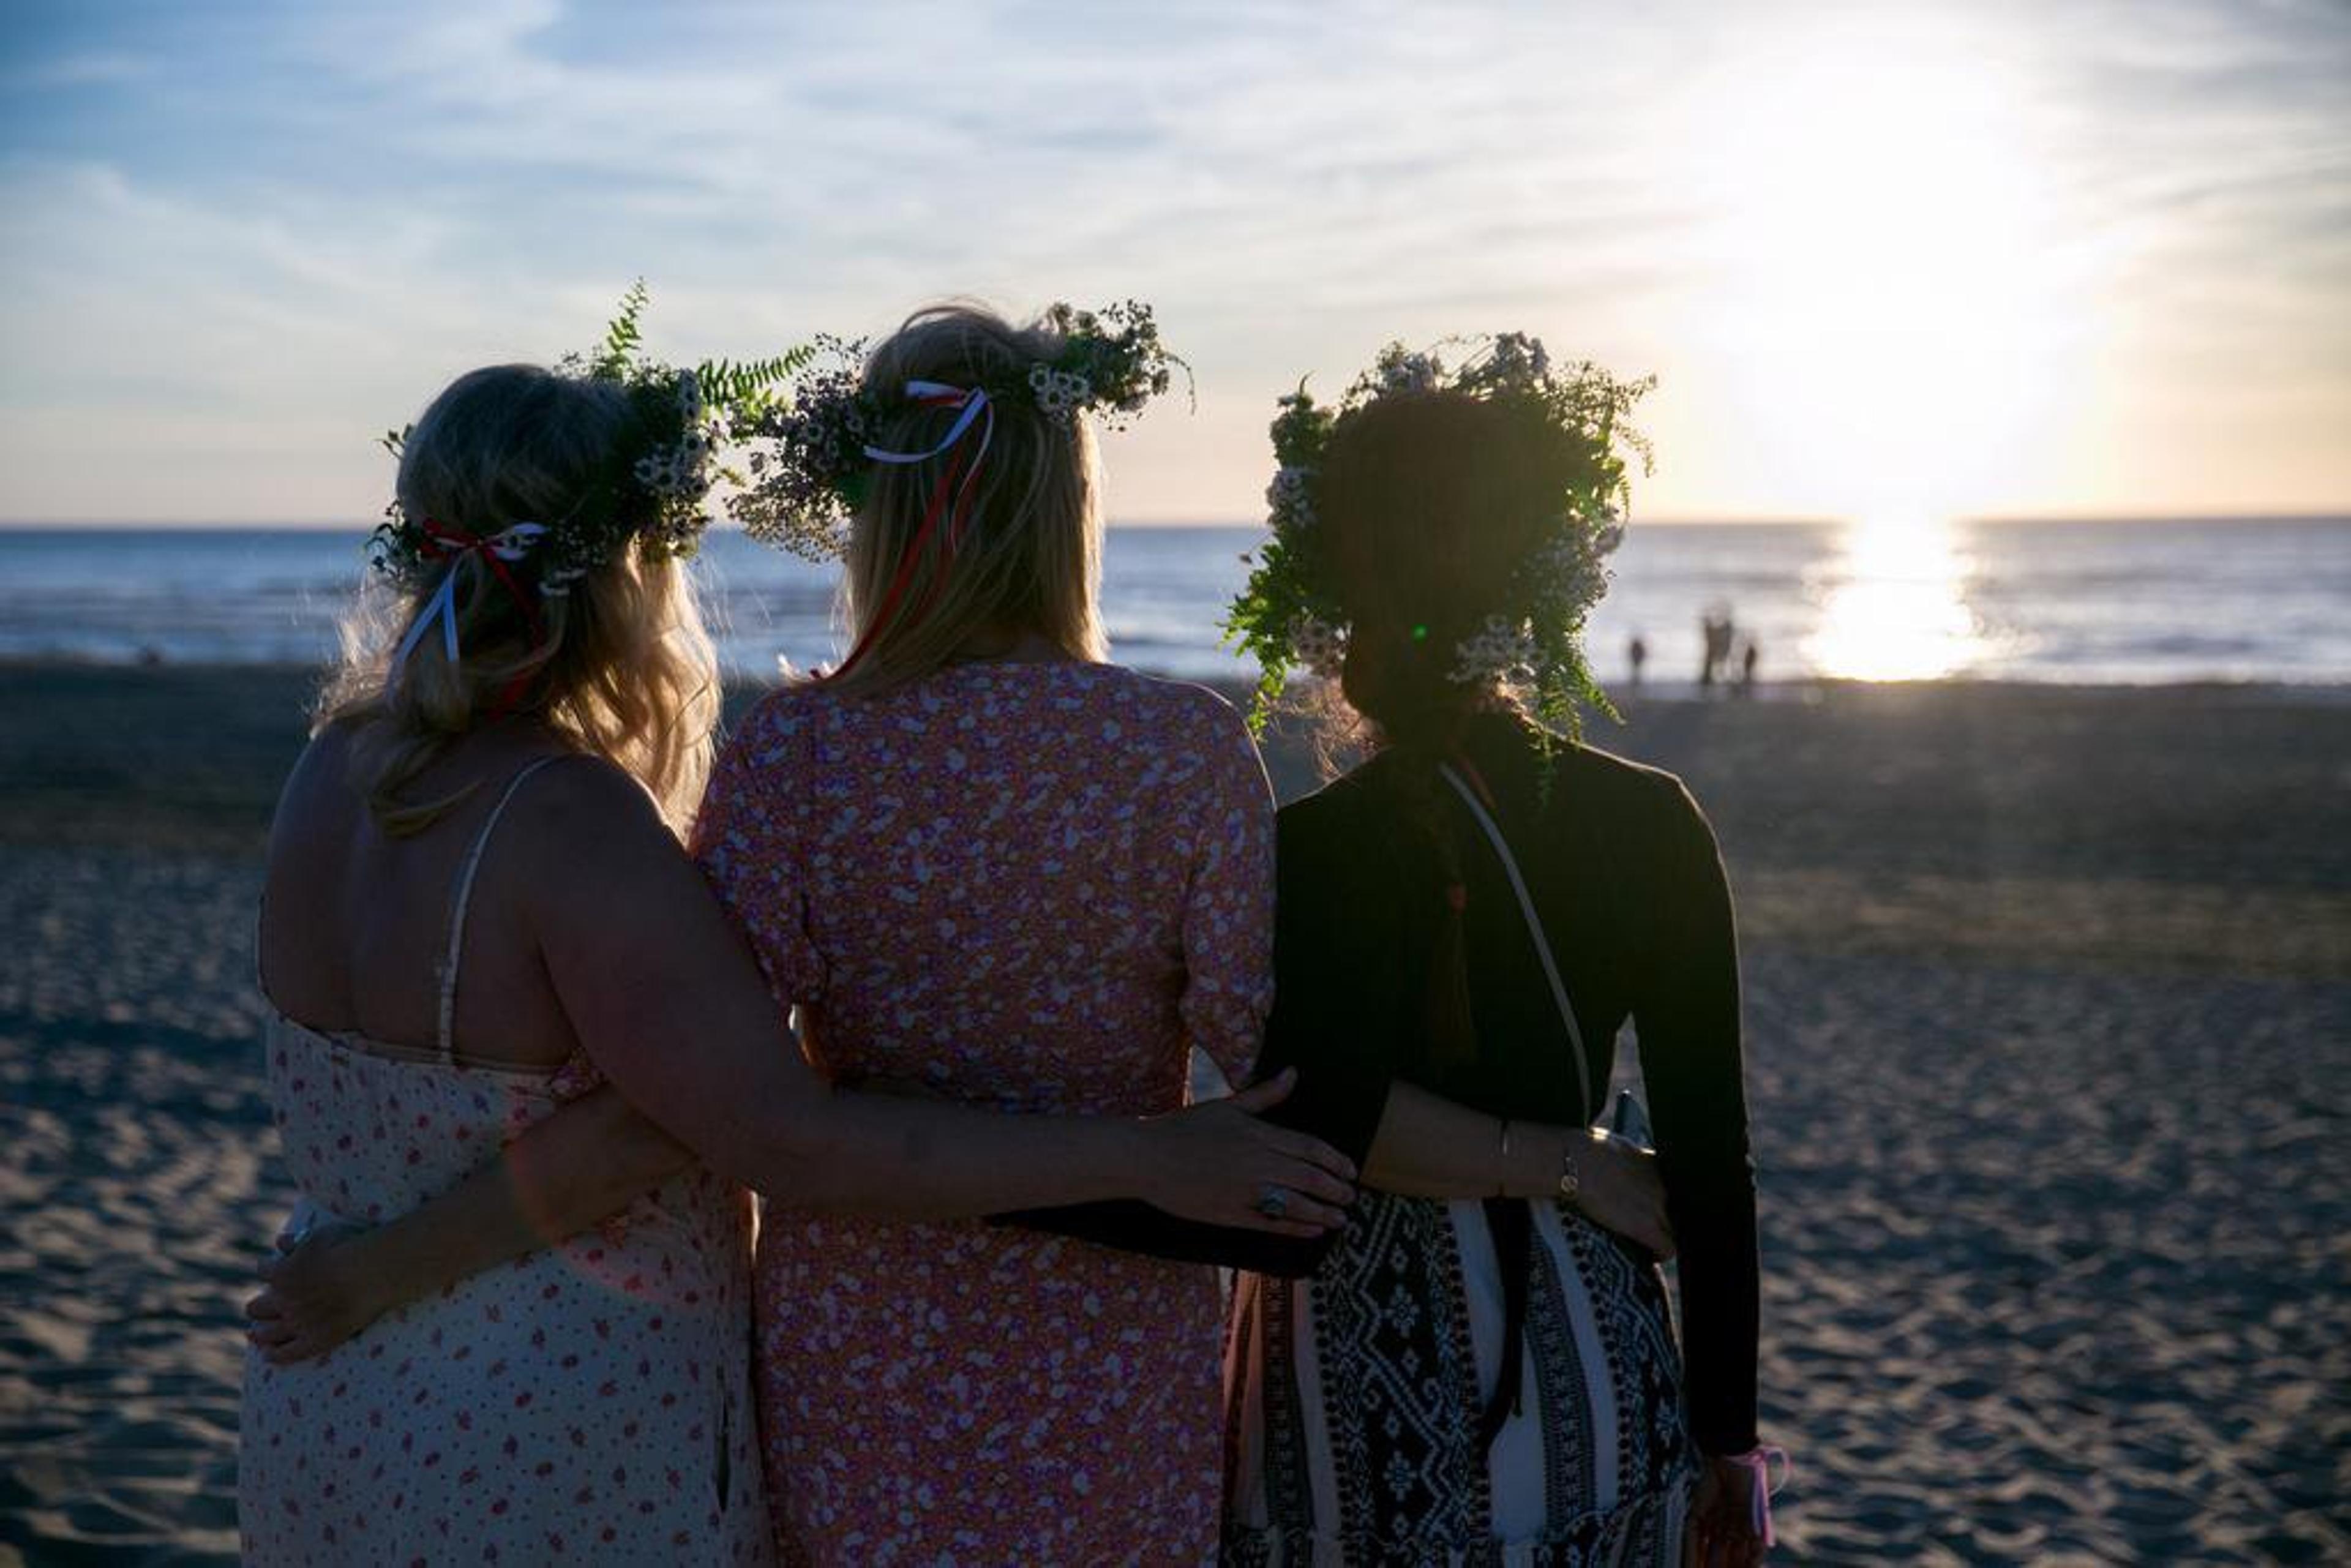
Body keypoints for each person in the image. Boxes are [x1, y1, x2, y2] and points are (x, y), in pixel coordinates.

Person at [240, 333, 1354, 1564]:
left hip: (366, 1392)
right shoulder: (1183, 751)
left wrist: (371, 1272)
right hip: (561, 1411)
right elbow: (741, 1124)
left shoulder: (327, 773)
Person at [1060, 338, 1775, 1561]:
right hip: (1590, 1356)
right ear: (1550, 583)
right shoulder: (1652, 822)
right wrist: (1731, 1446)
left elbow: (1309, 1120)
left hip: (1350, 1380)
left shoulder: (1305, 848)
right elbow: (1713, 1167)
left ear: (1331, 599)